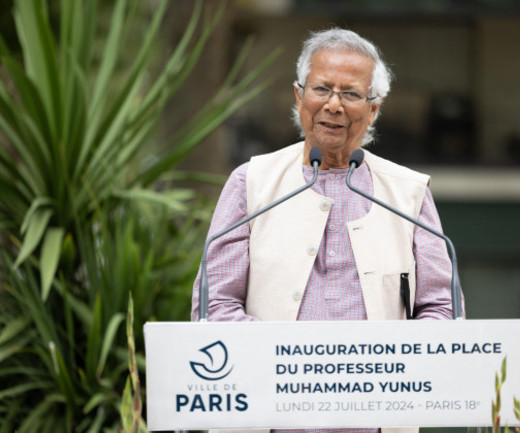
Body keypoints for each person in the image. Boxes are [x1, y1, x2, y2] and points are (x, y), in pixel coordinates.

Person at [191, 27, 461, 433]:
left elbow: (443, 310)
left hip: (378, 421)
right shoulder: (251, 183)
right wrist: (293, 364)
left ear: (373, 109)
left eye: (351, 94)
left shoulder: (408, 193)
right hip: (268, 418)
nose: (333, 105)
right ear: (299, 96)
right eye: (321, 89)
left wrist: (386, 365)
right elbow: (214, 306)